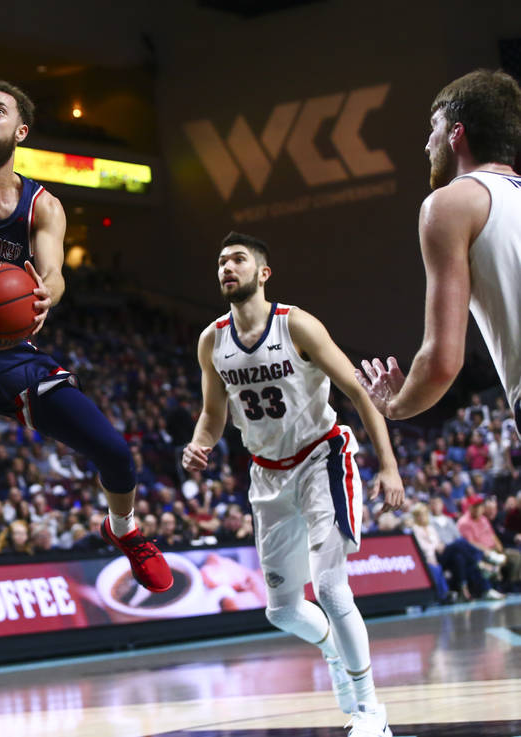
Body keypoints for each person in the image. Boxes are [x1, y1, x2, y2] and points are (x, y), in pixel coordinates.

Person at [0, 79, 172, 606]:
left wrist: (47, 296)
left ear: (19, 130)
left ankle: (126, 530)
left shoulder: (44, 205)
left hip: (11, 351)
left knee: (114, 452)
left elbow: (54, 275)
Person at [183, 233, 403, 737]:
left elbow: (359, 391)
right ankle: (331, 648)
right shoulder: (212, 341)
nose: (226, 267)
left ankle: (371, 711)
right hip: (266, 473)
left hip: (321, 457)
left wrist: (387, 465)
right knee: (281, 611)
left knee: (330, 586)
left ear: (263, 273)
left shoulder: (295, 324)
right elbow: (212, 416)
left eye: (238, 259)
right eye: (220, 262)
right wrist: (200, 444)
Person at [357, 70, 521, 429]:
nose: (427, 143)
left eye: (434, 126)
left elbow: (442, 361)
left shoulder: (451, 203)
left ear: (456, 133)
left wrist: (395, 405)